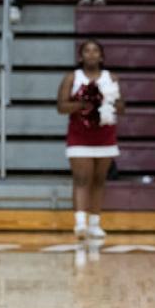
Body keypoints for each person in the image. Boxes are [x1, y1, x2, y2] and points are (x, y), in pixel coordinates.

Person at [57, 39, 124, 239]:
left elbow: (121, 108)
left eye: (96, 51)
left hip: (105, 136)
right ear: (81, 56)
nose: (92, 54)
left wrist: (105, 100)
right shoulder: (72, 77)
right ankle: (80, 223)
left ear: (102, 56)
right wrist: (84, 103)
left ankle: (95, 223)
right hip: (79, 136)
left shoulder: (111, 77)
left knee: (99, 180)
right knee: (81, 179)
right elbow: (61, 107)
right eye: (87, 51)